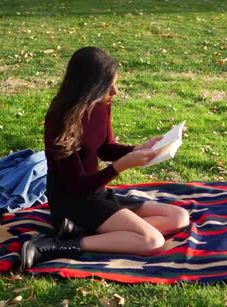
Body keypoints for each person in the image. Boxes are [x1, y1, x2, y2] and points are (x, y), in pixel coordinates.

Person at [20, 46, 190, 270]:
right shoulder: (61, 118)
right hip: (72, 200)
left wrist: (137, 148)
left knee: (179, 217)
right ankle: (58, 245)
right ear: (90, 87)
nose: (115, 92)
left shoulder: (101, 105)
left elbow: (105, 148)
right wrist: (120, 167)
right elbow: (77, 186)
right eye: (108, 86)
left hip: (96, 192)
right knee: (152, 241)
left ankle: (86, 231)